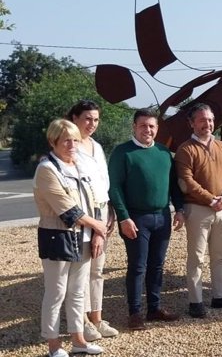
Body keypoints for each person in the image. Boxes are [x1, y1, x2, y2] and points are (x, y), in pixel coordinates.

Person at [108, 108, 185, 330]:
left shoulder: (163, 153)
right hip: (136, 218)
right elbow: (115, 188)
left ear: (157, 128)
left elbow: (174, 186)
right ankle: (135, 312)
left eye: (151, 126)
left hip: (162, 216)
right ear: (134, 127)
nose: (147, 130)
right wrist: (124, 217)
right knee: (137, 266)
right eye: (143, 125)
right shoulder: (123, 153)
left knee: (157, 266)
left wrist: (179, 209)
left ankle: (154, 308)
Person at [33, 119, 105, 357]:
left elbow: (93, 200)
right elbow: (68, 209)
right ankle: (54, 346)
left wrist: (96, 233)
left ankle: (79, 341)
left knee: (77, 292)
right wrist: (100, 226)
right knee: (56, 293)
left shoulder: (79, 166)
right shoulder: (46, 169)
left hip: (83, 238)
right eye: (66, 140)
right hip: (57, 239)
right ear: (53, 141)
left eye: (75, 139)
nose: (72, 144)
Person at [174, 103, 222, 318]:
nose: (207, 124)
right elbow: (187, 181)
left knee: (219, 256)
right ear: (192, 123)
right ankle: (196, 302)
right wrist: (211, 200)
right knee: (196, 258)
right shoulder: (185, 150)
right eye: (202, 120)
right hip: (198, 209)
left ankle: (219, 296)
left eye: (210, 120)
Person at [67, 100, 119, 341]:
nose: (92, 124)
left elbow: (103, 183)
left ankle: (97, 318)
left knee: (97, 271)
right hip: (82, 218)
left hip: (102, 212)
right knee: (81, 272)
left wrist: (110, 212)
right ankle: (83, 321)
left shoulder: (97, 147)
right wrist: (94, 225)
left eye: (96, 119)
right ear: (75, 118)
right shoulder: (69, 148)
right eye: (87, 118)